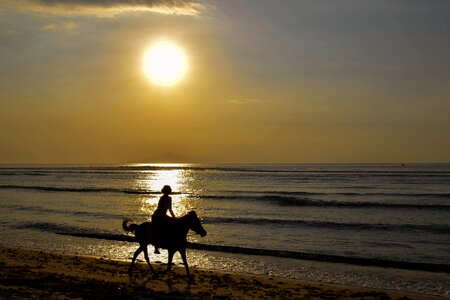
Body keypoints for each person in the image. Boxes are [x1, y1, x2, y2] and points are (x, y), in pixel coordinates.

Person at [151, 185, 176, 254]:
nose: (169, 191)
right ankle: (156, 247)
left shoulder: (170, 198)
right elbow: (159, 209)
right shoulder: (162, 198)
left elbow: (170, 210)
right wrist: (165, 216)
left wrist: (174, 217)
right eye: (168, 190)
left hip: (163, 215)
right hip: (157, 215)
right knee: (159, 228)